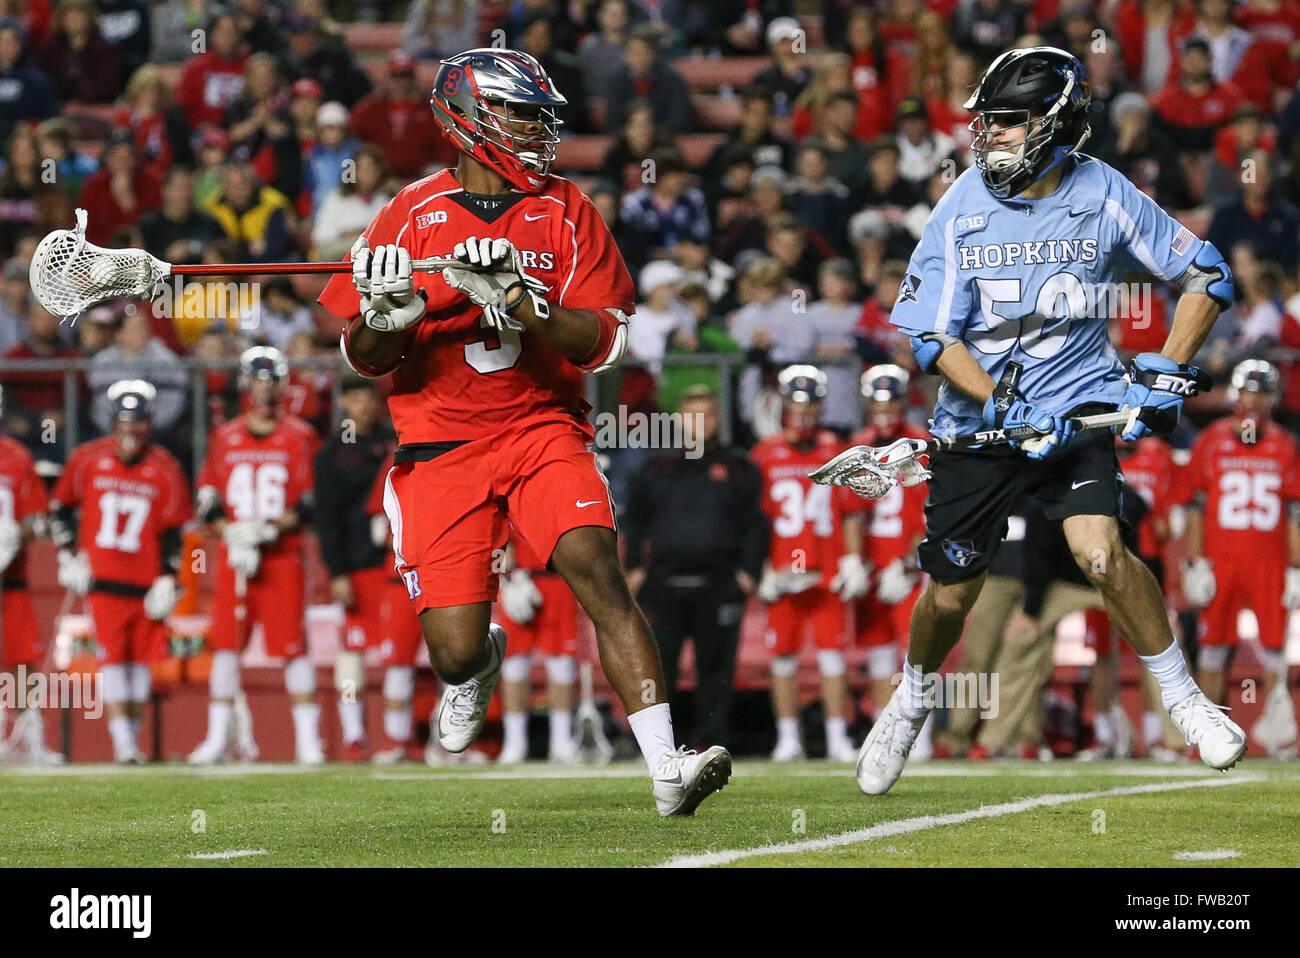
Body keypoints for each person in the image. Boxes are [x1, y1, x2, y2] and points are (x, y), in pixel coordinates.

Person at [318, 49, 732, 815]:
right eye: (523, 113)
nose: (540, 130)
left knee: (596, 569)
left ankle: (665, 765)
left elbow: (602, 344)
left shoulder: (567, 209)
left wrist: (524, 298)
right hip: (441, 446)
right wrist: (385, 316)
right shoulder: (409, 212)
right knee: (452, 650)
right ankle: (479, 668)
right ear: (468, 117)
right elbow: (362, 356)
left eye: (543, 116)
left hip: (542, 426)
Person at [852, 46, 1247, 796]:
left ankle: (1186, 700)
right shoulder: (961, 204)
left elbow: (1207, 275)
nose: (988, 135)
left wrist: (1166, 369)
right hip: (983, 427)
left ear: (1056, 120)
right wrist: (1005, 405)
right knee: (951, 593)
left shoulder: (1103, 191)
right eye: (986, 122)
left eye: (1006, 121)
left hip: (1078, 409)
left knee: (1102, 554)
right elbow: (935, 338)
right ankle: (911, 701)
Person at [187, 346, 321, 765]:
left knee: (292, 647)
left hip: (281, 556)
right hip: (235, 558)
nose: (264, 388)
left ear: (282, 385)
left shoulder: (300, 436)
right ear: (246, 384)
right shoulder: (225, 438)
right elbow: (208, 502)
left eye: (271, 379)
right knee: (226, 646)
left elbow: (310, 503)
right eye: (258, 379)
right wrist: (232, 532)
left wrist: (266, 528)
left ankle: (307, 742)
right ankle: (215, 737)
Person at [50, 380, 190, 764]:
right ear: (113, 422)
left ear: (149, 424)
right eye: (125, 422)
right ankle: (124, 745)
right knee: (112, 660)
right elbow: (60, 506)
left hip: (144, 581)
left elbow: (174, 530)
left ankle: (131, 741)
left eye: (138, 422)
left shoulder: (164, 467)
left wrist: (168, 575)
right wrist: (67, 555)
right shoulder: (87, 459)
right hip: (103, 577)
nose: (131, 431)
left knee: (140, 663)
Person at [623, 385, 767, 750]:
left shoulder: (738, 466)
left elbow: (756, 522)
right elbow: (635, 521)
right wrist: (635, 567)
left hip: (719, 583)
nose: (700, 423)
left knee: (716, 674)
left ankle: (712, 746)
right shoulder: (656, 468)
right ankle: (658, 747)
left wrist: (749, 572)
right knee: (657, 669)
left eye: (707, 415)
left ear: (718, 420)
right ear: (679, 420)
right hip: (663, 584)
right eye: (692, 415)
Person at [1179, 359, 1300, 757]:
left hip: (1269, 562)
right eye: (1250, 390)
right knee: (1213, 649)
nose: (1255, 399)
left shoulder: (1283, 443)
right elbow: (1195, 504)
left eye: (1262, 392)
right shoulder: (1212, 438)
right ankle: (1208, 738)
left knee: (1273, 652)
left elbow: (1294, 514)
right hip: (1223, 560)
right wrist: (1197, 560)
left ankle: (1280, 739)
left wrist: (1296, 569)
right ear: (1236, 392)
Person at [752, 367, 867, 762]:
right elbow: (757, 519)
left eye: (810, 407)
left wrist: (853, 558)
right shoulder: (766, 454)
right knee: (781, 657)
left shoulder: (834, 450)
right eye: (796, 407)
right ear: (784, 406)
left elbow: (851, 511)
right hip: (783, 572)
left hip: (826, 570)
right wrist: (761, 565)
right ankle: (788, 738)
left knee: (833, 657)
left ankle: (837, 737)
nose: (803, 415)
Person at [313, 376, 398, 761]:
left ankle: (397, 737)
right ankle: (353, 735)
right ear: (344, 401)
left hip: (397, 563)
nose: (364, 405)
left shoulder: (394, 440)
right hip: (357, 562)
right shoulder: (332, 453)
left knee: (399, 651)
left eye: (369, 397)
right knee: (353, 650)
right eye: (356, 397)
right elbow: (326, 517)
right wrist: (337, 571)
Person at [848, 365, 931, 754]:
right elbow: (850, 509)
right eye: (878, 402)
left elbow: (928, 511)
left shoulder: (919, 444)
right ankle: (884, 734)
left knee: (918, 652)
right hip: (874, 563)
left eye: (891, 401)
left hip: (908, 564)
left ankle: (921, 737)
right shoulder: (859, 445)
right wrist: (852, 560)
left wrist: (909, 562)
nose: (884, 409)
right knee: (879, 653)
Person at [0, 385, 59, 765]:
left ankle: (32, 738)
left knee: (21, 661)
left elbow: (38, 520)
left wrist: (13, 533)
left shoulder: (17, 457)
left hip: (9, 580)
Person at [495, 533, 582, 763]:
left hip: (558, 576)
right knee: (514, 665)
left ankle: (561, 741)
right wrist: (509, 572)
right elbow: (500, 530)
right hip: (520, 575)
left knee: (562, 664)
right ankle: (514, 742)